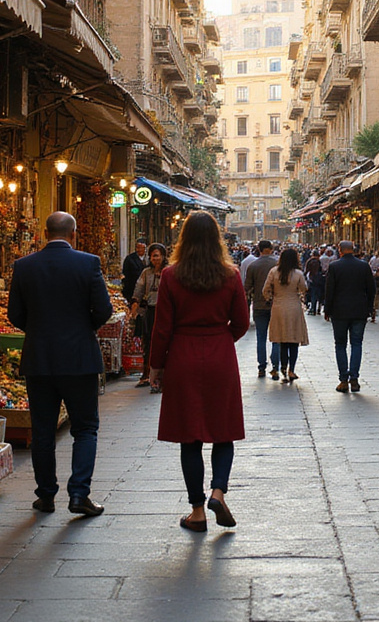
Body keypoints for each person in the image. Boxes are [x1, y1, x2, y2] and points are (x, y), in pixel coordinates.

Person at [148, 211, 249, 533]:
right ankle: (218, 491)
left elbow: (161, 327)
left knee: (189, 437)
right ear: (217, 239)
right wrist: (220, 339)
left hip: (182, 357)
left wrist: (156, 366)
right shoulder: (230, 275)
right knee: (224, 431)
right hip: (220, 357)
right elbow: (243, 323)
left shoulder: (170, 275)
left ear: (184, 239)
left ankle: (197, 510)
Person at [7, 211, 113, 517]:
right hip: (80, 359)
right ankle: (79, 494)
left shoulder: (24, 266)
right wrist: (83, 329)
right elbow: (103, 310)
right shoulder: (88, 263)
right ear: (74, 234)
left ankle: (46, 495)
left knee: (42, 431)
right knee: (85, 428)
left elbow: (15, 313)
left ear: (44, 233)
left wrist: (39, 331)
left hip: (39, 359)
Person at [324, 240, 375, 392]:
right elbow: (371, 289)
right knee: (357, 344)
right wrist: (370, 308)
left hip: (339, 312)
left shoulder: (334, 266)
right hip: (359, 311)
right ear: (353, 249)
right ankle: (354, 377)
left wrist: (327, 309)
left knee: (340, 345)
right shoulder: (363, 266)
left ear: (340, 250)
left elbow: (329, 290)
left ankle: (343, 379)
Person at [262, 247, 309, 382]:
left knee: (282, 339)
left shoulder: (274, 272)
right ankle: (291, 369)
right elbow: (304, 288)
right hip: (294, 307)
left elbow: (265, 290)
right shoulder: (298, 273)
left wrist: (270, 299)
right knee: (293, 340)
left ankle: (282, 367)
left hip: (278, 307)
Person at [129, 243, 166, 390]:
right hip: (150, 312)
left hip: (164, 311)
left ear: (163, 256)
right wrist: (135, 303)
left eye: (157, 255)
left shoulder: (168, 272)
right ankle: (146, 373)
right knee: (148, 341)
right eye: (152, 256)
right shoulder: (146, 273)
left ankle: (162, 375)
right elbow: (138, 289)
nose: (155, 259)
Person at [244, 240, 280, 378]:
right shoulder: (277, 264)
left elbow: (247, 286)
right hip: (275, 304)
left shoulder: (253, 265)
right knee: (276, 336)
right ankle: (276, 366)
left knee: (261, 337)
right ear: (271, 248)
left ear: (258, 249)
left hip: (259, 305)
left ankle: (261, 367)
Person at [121, 240, 147, 305]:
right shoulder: (130, 259)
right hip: (132, 287)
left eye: (142, 248)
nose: (140, 250)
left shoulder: (149, 259)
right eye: (138, 248)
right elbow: (125, 273)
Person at [304, 249, 324, 315]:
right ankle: (319, 309)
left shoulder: (309, 261)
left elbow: (306, 270)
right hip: (319, 280)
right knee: (319, 295)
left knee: (313, 295)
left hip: (312, 280)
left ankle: (313, 308)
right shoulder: (319, 261)